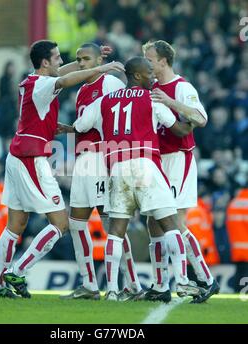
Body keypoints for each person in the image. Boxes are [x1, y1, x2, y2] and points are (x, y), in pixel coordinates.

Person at [0, 40, 124, 298]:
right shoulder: (43, 85)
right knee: (61, 223)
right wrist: (103, 69)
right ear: (45, 62)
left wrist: (94, 61)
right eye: (57, 58)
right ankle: (18, 270)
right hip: (32, 157)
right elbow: (65, 80)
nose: (62, 62)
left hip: (16, 156)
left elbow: (63, 73)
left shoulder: (32, 81)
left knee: (14, 225)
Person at [73, 56, 204, 301]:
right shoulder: (152, 98)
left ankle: (111, 289)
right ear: (136, 76)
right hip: (146, 164)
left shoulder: (103, 101)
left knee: (116, 231)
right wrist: (191, 122)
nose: (153, 77)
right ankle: (184, 282)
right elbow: (179, 129)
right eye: (148, 72)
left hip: (118, 167)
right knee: (170, 225)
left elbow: (80, 125)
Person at [58, 43, 142, 301]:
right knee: (76, 223)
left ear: (98, 60)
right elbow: (83, 125)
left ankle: (132, 285)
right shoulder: (81, 89)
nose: (81, 63)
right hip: (83, 158)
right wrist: (71, 130)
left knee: (112, 224)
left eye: (86, 59)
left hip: (100, 158)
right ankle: (90, 285)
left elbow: (116, 120)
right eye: (78, 59)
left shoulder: (110, 84)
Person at [142, 40, 219, 303]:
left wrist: (171, 102)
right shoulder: (150, 87)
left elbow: (201, 118)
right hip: (156, 160)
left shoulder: (182, 87)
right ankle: (160, 285)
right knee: (153, 222)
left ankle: (206, 279)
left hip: (178, 159)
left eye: (150, 59)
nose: (147, 63)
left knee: (174, 223)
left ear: (163, 60)